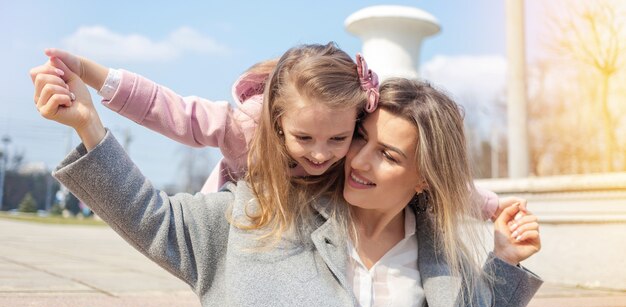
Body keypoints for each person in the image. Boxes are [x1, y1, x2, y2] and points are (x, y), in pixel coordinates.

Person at [31, 51, 541, 307]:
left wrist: (501, 261)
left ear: (426, 177)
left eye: (385, 154)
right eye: (358, 138)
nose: (355, 160)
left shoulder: (440, 258)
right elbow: (154, 218)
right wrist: (89, 125)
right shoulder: (261, 210)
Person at [32, 44, 511, 224]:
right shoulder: (242, 125)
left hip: (299, 221)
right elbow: (169, 109)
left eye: (339, 140)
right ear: (277, 121)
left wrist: (492, 207)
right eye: (303, 139)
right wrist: (90, 73)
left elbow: (431, 177)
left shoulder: (352, 148)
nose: (322, 155)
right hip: (238, 217)